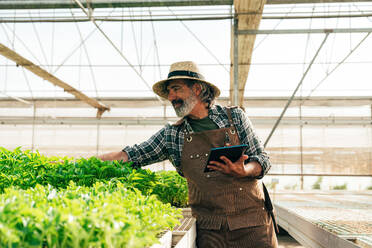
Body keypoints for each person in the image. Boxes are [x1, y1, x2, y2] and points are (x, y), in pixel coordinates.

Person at [98, 61, 278, 248]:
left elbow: (262, 159)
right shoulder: (173, 135)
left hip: (252, 225)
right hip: (211, 232)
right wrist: (81, 164)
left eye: (176, 89)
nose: (171, 97)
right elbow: (130, 155)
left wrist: (245, 170)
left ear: (198, 89)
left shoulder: (234, 118)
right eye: (169, 92)